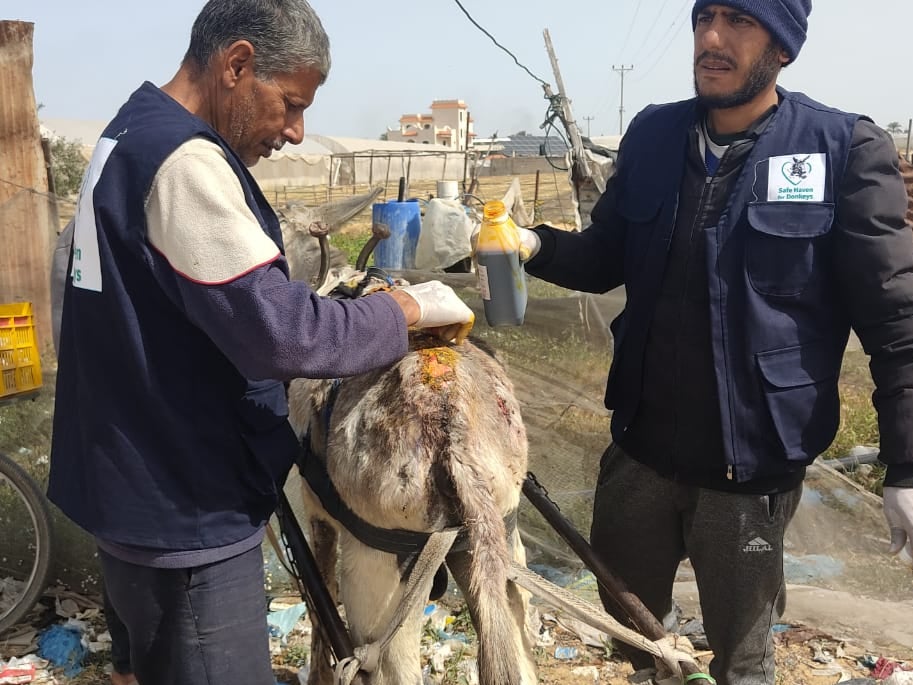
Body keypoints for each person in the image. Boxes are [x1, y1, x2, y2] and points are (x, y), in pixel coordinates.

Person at [47, 2, 474, 684]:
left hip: (127, 490)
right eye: (290, 103)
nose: (298, 132)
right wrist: (402, 306)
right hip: (187, 517)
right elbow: (285, 334)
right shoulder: (185, 164)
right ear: (237, 64)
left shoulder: (127, 133)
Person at [515, 2, 913, 684]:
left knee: (742, 660)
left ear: (783, 47)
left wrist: (906, 465)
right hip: (638, 451)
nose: (712, 38)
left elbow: (895, 320)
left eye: (740, 21)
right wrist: (525, 244)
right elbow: (603, 256)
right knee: (636, 638)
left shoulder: (840, 148)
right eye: (705, 17)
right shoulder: (653, 134)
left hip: (749, 470)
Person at [51, 222, 138, 685]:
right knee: (125, 555)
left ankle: (125, 667)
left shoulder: (82, 231)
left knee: (118, 551)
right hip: (127, 429)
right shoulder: (98, 232)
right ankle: (126, 668)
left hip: (112, 426)